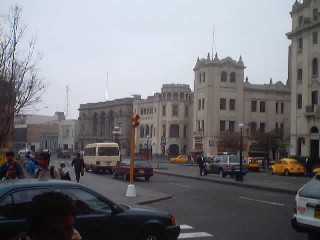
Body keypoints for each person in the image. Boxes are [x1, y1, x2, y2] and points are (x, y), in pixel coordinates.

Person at [15, 191, 81, 240]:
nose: (65, 237)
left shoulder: (74, 235)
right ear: (35, 233)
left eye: (69, 228)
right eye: (54, 232)